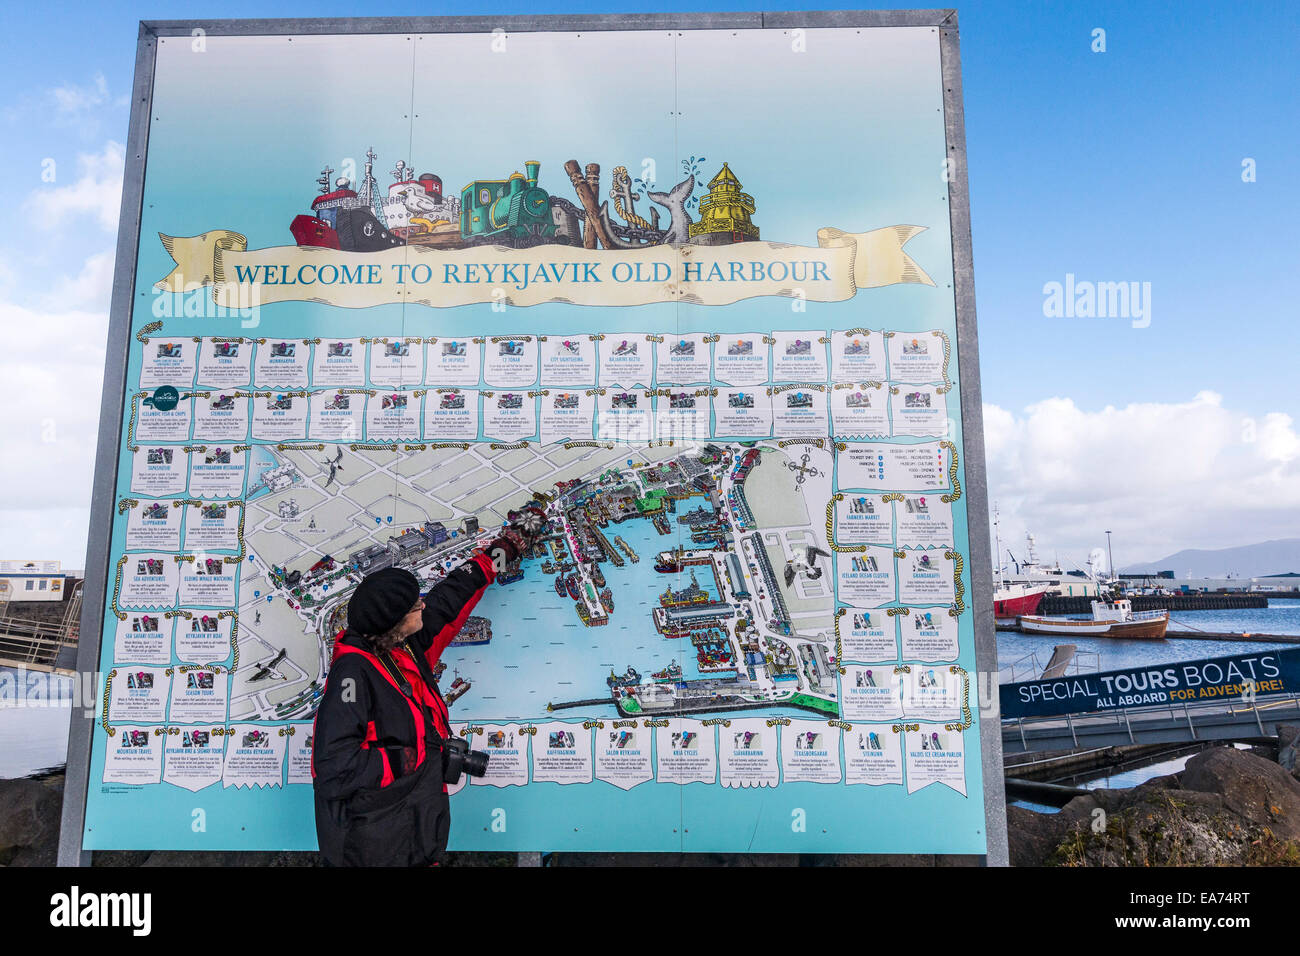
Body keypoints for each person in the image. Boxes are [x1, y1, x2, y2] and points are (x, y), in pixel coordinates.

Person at [311, 511, 542, 866]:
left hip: (416, 834)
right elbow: (335, 767)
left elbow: (456, 590)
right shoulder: (352, 674)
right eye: (415, 603)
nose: (423, 603)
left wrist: (507, 547)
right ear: (394, 620)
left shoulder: (406, 643)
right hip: (372, 847)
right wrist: (415, 757)